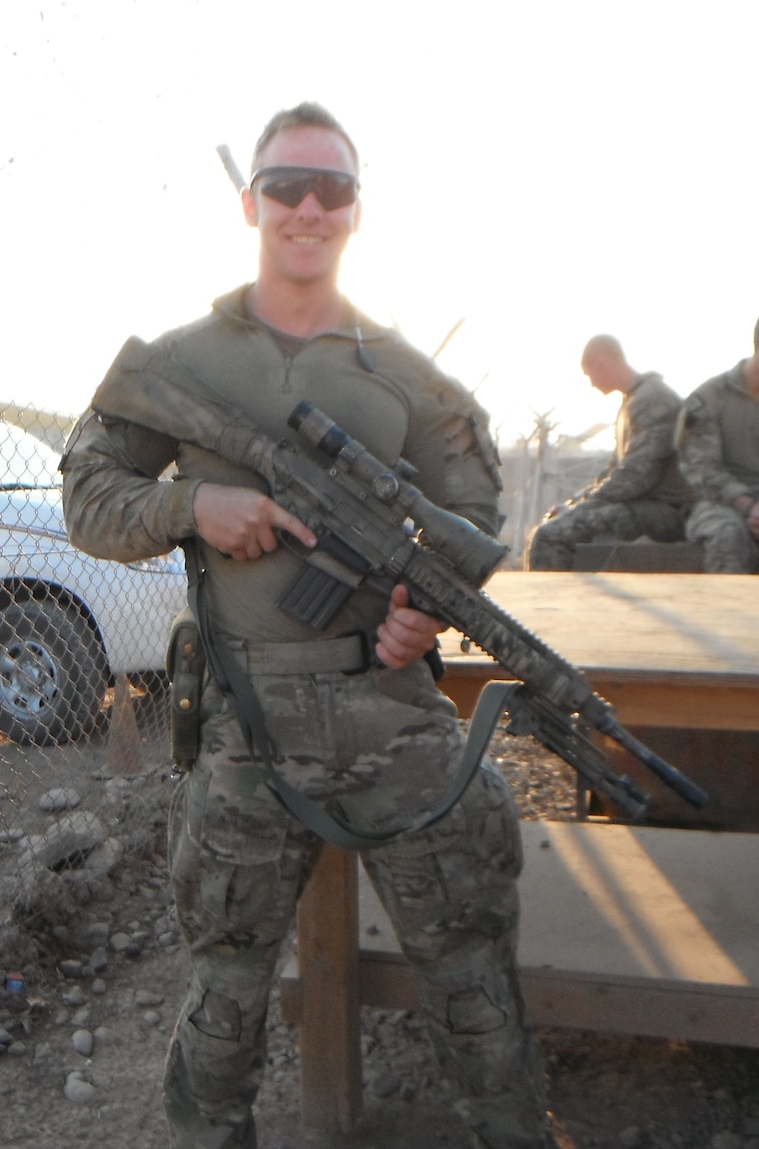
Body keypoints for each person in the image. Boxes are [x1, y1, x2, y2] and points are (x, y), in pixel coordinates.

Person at [60, 102, 555, 1149]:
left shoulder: (408, 375)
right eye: (288, 185)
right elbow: (90, 499)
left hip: (391, 707)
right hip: (245, 719)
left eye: (332, 190)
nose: (309, 207)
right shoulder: (180, 362)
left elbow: (467, 527)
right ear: (251, 201)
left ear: (357, 212)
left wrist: (418, 615)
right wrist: (191, 508)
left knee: (470, 965)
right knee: (226, 993)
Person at [525, 334, 693, 570]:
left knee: (551, 536)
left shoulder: (653, 399)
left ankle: (549, 606)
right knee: (556, 525)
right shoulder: (632, 402)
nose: (591, 383)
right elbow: (613, 471)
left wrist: (581, 508)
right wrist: (575, 503)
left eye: (589, 374)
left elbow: (636, 476)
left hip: (668, 510)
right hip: (645, 505)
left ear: (601, 364)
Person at [676, 318, 759, 573]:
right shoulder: (709, 398)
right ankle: (730, 612)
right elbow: (703, 471)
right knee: (728, 534)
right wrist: (749, 505)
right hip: (719, 503)